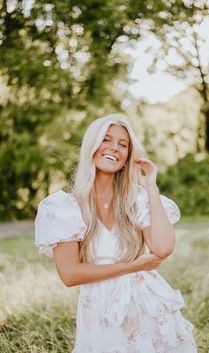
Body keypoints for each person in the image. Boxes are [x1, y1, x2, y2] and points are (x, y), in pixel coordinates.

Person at [35, 113, 198, 353]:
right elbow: (69, 274)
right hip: (99, 310)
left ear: (127, 157)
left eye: (123, 145)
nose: (115, 148)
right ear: (92, 145)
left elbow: (162, 249)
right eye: (106, 140)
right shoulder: (64, 207)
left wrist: (150, 186)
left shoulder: (137, 200)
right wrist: (133, 266)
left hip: (146, 306)